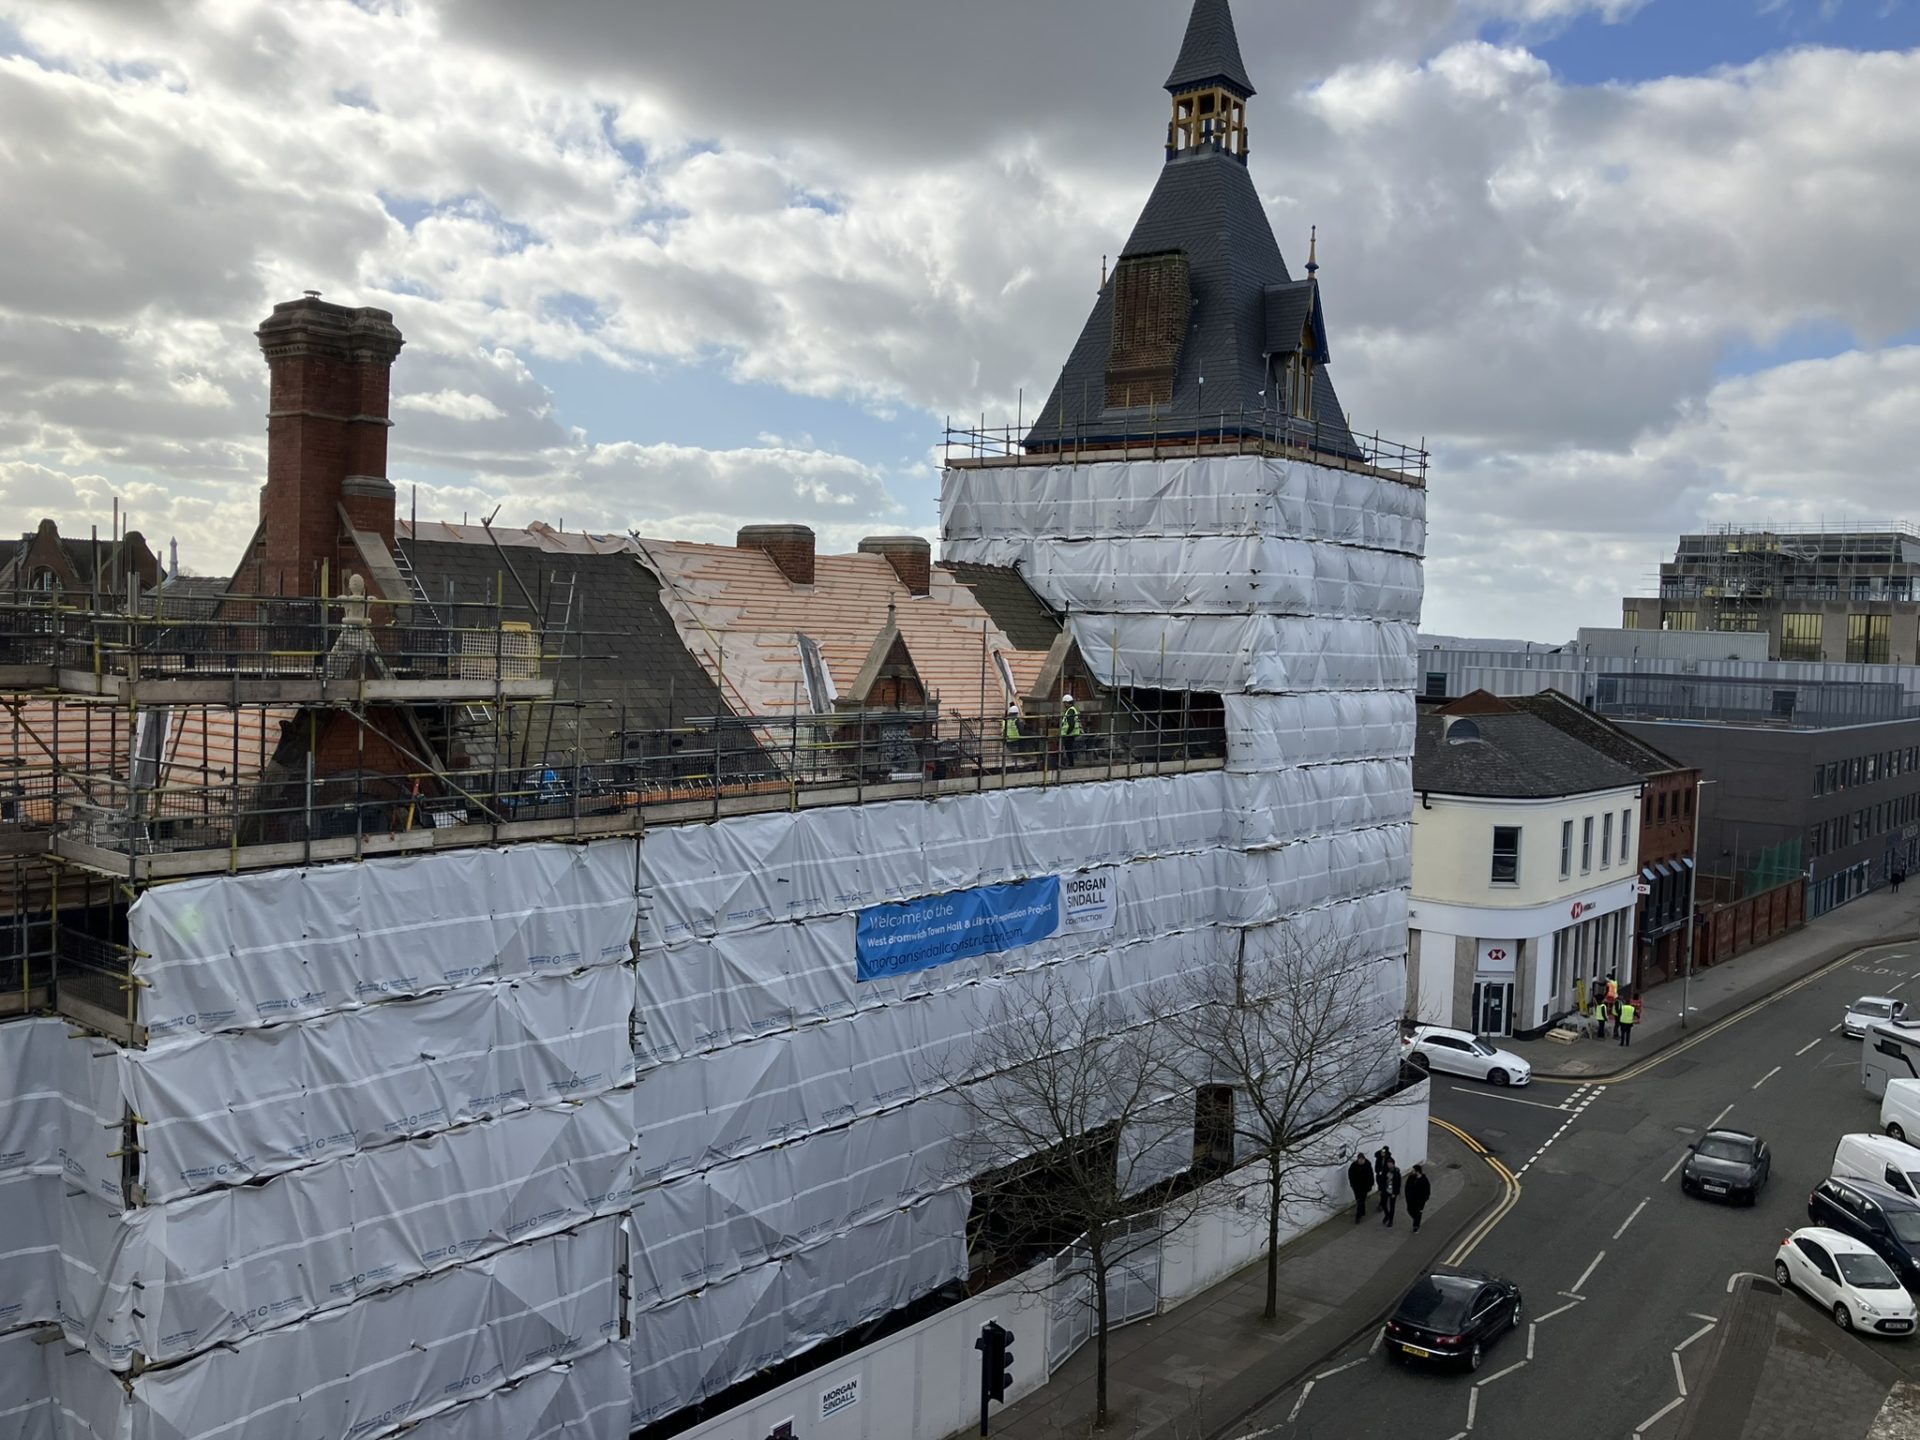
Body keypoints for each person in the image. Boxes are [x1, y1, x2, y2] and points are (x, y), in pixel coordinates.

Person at [1347, 1152, 1374, 1223]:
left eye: (1362, 1160)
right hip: (1356, 1187)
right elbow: (1350, 1175)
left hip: (1364, 1187)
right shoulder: (1353, 1166)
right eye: (1360, 1160)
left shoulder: (1367, 1165)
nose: (1361, 1161)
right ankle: (1362, 1212)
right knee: (1359, 1200)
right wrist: (1352, 1184)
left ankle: (1358, 1216)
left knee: (1361, 1200)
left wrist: (1370, 1185)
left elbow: (1371, 1176)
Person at [1405, 1163, 1431, 1233]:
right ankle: (1416, 1219)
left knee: (1418, 1213)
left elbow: (1427, 1191)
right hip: (1411, 1200)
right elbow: (1407, 1187)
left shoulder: (1424, 1181)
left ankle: (1416, 1226)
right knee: (1410, 1210)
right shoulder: (1411, 1178)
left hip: (1420, 1202)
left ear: (1417, 1171)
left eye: (1413, 1170)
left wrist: (1424, 1200)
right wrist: (1407, 1196)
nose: (1412, 1171)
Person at [1059, 692, 1083, 768]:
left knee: (1068, 749)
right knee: (1068, 749)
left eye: (1064, 703)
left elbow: (1071, 723)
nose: (1064, 705)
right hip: (1071, 734)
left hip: (1069, 734)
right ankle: (1070, 763)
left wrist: (1067, 733)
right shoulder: (1072, 709)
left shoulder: (1070, 711)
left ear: (1067, 703)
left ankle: (1070, 764)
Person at [1379, 1157, 1402, 1227]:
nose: (1389, 1165)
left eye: (1390, 1164)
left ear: (1393, 1164)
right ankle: (1387, 1214)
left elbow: (1398, 1183)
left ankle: (1391, 1220)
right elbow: (1382, 1180)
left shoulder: (1396, 1172)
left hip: (1392, 1191)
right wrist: (1381, 1189)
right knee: (1383, 1203)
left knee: (1392, 1206)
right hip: (1385, 1190)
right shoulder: (1385, 1170)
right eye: (1388, 1164)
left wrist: (1395, 1193)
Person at [1001, 703, 1024, 768]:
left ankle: (1008, 766)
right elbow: (1021, 730)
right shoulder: (1016, 721)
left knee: (1007, 756)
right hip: (1015, 740)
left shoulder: (1004, 720)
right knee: (1015, 756)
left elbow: (1003, 729)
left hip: (1006, 740)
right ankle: (1014, 767)